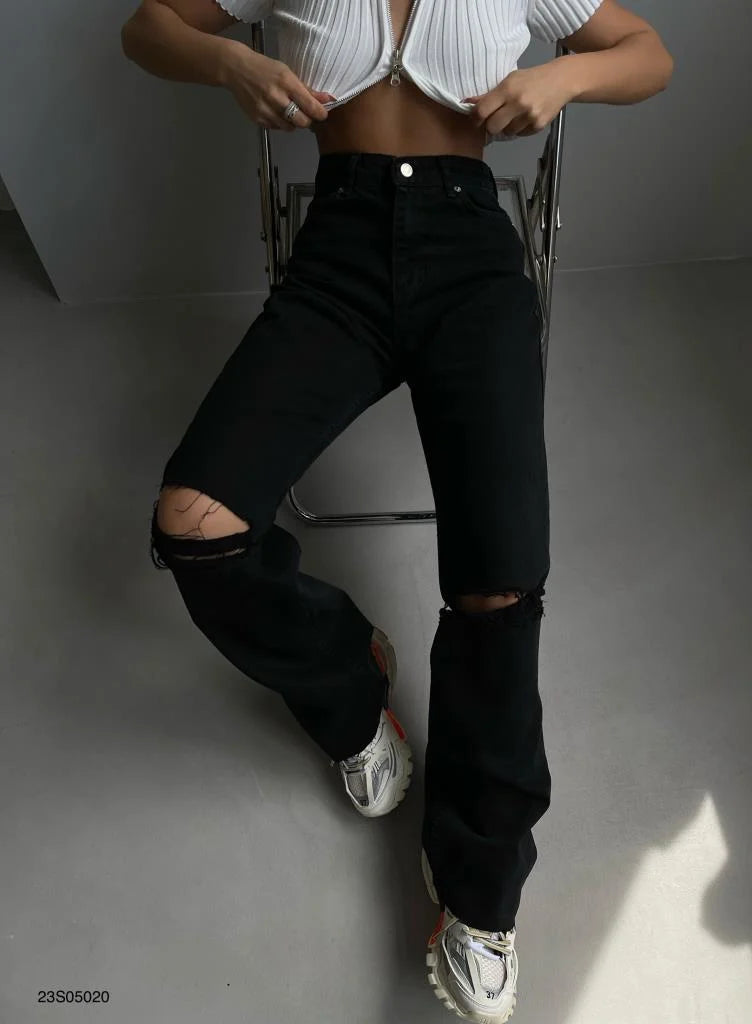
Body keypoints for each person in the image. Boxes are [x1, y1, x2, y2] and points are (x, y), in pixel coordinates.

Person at [120, 2, 673, 1019]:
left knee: (500, 585)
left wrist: (560, 80)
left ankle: (478, 883)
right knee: (193, 524)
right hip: (337, 256)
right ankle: (349, 682)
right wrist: (227, 63)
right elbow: (148, 27)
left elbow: (648, 55)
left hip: (470, 251)